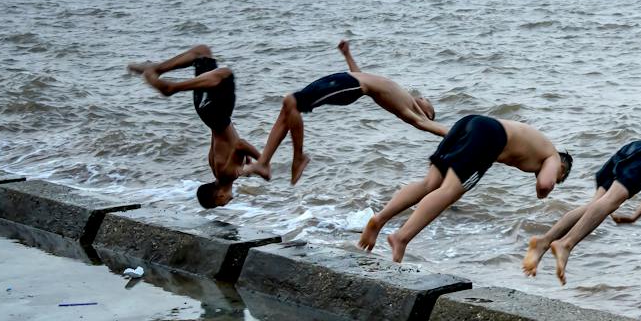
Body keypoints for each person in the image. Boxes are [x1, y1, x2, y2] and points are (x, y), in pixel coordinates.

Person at [358, 114, 572, 263]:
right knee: (449, 192)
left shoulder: (537, 144)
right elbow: (545, 184)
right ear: (562, 167)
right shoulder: (552, 156)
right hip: (490, 136)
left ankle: (379, 220)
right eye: (560, 177)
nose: (556, 178)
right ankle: (401, 237)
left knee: (429, 184)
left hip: (470, 123)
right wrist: (545, 193)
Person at [257, 39, 446, 184]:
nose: (424, 98)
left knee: (291, 102)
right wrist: (347, 54)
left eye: (427, 102)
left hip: (349, 86)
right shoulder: (407, 98)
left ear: (428, 113)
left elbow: (427, 125)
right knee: (287, 105)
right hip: (348, 79)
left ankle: (298, 158)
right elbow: (364, 76)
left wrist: (459, 134)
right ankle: (263, 162)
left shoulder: (412, 113)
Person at [522, 139, 641, 284]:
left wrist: (635, 215)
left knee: (594, 206)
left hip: (635, 148)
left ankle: (543, 242)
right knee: (610, 202)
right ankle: (566, 244)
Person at [126, 44, 267, 208]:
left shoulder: (228, 175)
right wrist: (245, 159)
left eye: (220, 204)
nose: (226, 203)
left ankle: (171, 87)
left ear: (218, 196)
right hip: (205, 112)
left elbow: (240, 144)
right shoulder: (217, 170)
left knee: (224, 75)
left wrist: (262, 162)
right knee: (201, 53)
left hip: (217, 113)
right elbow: (225, 143)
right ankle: (155, 69)